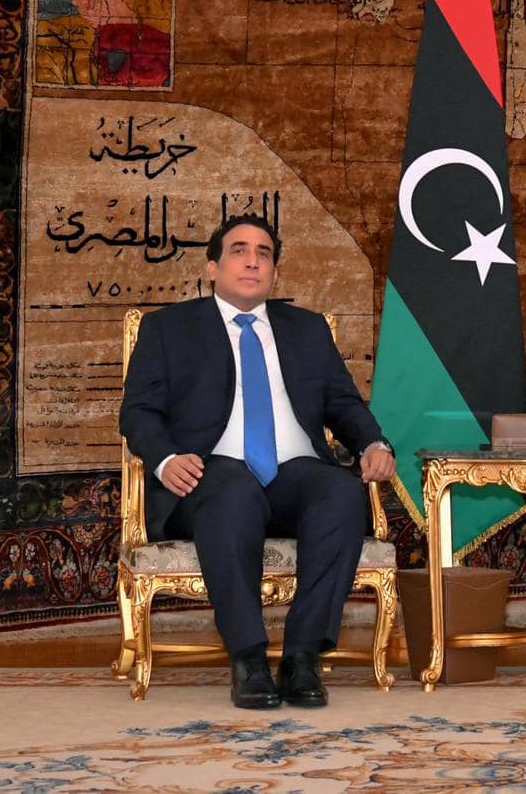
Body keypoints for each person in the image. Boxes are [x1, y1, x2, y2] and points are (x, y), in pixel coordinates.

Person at [120, 214, 396, 710]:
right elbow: (138, 412)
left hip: (293, 475)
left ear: (274, 272)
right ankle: (248, 658)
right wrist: (165, 460)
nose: (252, 261)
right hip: (208, 478)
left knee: (340, 491)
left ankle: (302, 657)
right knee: (232, 486)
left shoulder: (307, 329)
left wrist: (374, 444)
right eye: (239, 251)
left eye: (263, 254)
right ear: (212, 267)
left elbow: (343, 404)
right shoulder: (169, 329)